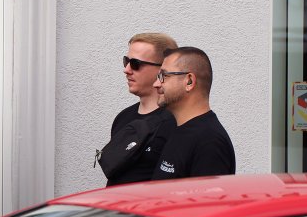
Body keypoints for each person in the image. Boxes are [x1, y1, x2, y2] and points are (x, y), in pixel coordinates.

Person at [98, 32, 179, 184]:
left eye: (135, 63)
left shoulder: (175, 122)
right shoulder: (123, 117)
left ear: (162, 69)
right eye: (126, 61)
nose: (127, 69)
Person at [151, 46, 236, 179]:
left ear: (189, 81)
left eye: (164, 76)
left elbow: (208, 199)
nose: (156, 84)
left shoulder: (209, 141)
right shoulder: (178, 130)